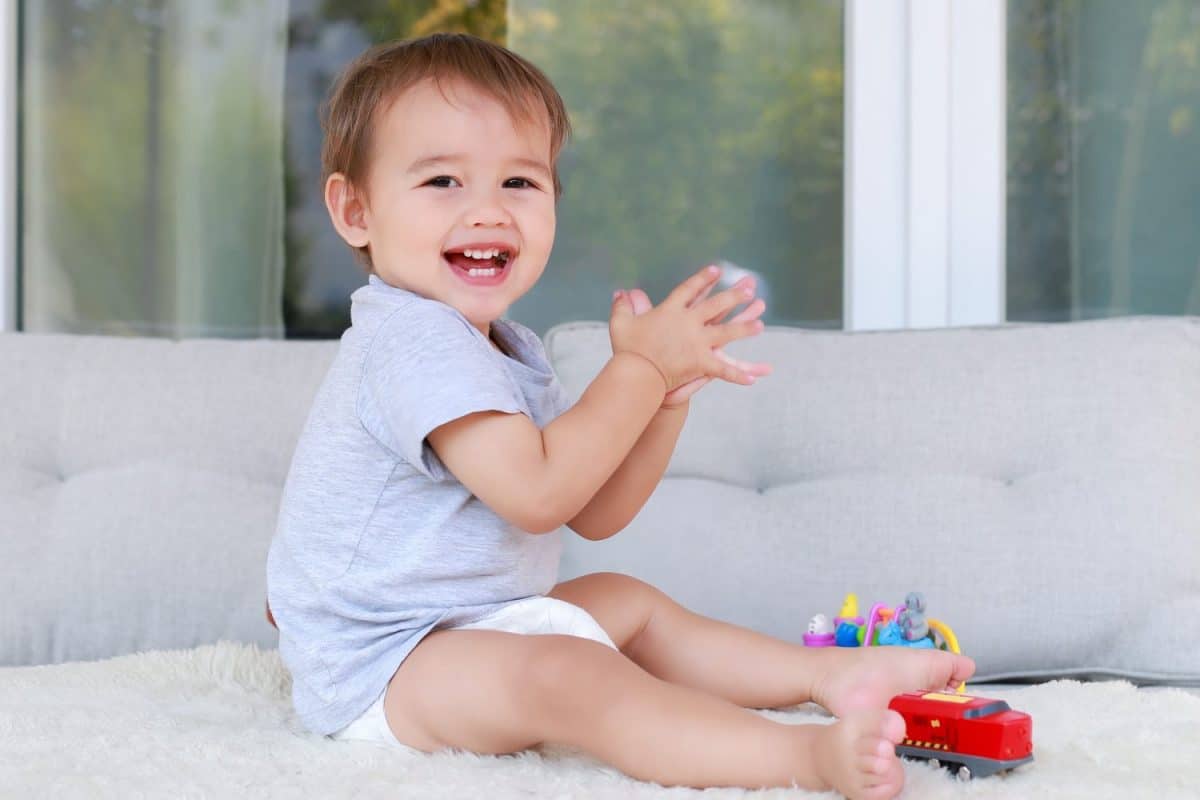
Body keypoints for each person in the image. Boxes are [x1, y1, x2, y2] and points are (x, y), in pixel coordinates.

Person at [265, 32, 974, 800]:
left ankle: (829, 673)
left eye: (519, 183)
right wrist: (637, 370)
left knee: (627, 601)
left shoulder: (500, 346)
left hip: (469, 623)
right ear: (356, 210)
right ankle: (799, 759)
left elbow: (592, 510)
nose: (488, 211)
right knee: (566, 673)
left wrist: (662, 400)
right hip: (382, 663)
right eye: (442, 180)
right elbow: (539, 494)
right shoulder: (410, 341)